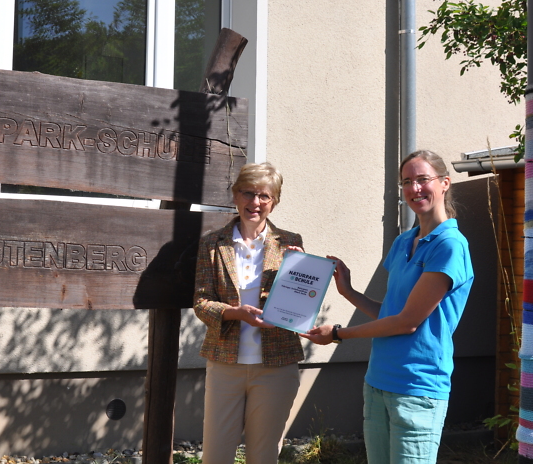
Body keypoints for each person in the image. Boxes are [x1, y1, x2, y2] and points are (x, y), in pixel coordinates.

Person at [300, 150, 474, 464]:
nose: (414, 188)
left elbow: (407, 322)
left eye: (423, 179)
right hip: (378, 381)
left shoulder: (449, 245)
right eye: (407, 182)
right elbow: (390, 314)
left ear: (445, 183)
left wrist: (339, 334)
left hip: (417, 387)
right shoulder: (403, 242)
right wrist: (349, 291)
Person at [194, 162, 304, 464]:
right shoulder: (212, 244)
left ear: (275, 201)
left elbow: (299, 306)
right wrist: (235, 313)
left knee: (264, 455)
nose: (255, 202)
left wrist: (297, 272)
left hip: (276, 364)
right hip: (226, 364)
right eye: (248, 193)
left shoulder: (291, 244)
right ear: (235, 196)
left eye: (264, 196)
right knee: (216, 455)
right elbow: (201, 302)